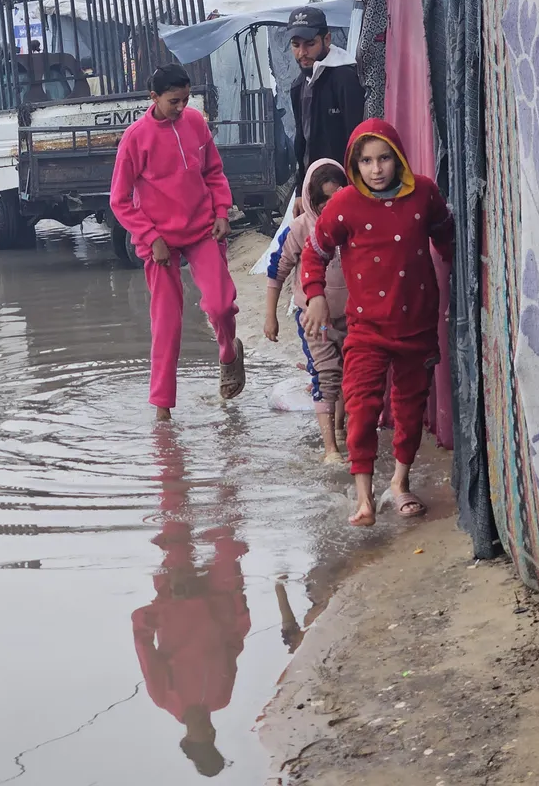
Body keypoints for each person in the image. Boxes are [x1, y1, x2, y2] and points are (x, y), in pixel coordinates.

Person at [302, 118, 454, 527]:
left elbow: (447, 235)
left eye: (384, 157)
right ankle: (364, 498)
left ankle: (400, 485)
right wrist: (314, 295)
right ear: (355, 164)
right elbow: (314, 251)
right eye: (366, 160)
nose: (376, 168)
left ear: (398, 157)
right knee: (363, 407)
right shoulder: (345, 205)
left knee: (409, 408)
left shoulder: (424, 193)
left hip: (417, 325)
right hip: (366, 331)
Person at [109, 64, 246, 421]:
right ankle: (162, 408)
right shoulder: (135, 138)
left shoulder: (197, 123)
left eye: (186, 99)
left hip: (202, 230)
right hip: (159, 243)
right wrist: (150, 236)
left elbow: (214, 172)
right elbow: (119, 200)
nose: (181, 107)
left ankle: (229, 354)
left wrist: (221, 211)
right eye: (174, 101)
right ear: (153, 98)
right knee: (166, 322)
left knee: (219, 304)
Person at [132, 427, 249, 779]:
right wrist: (237, 606)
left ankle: (168, 450)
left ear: (189, 739)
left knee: (175, 523)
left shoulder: (164, 696)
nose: (209, 732)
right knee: (228, 538)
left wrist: (164, 607)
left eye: (204, 739)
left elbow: (141, 639)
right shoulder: (222, 697)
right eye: (213, 737)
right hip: (220, 599)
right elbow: (232, 645)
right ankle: (232, 453)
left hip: (178, 592)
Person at [264, 158, 349, 464]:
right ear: (310, 200)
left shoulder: (354, 224)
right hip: (314, 321)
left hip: (353, 316)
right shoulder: (301, 229)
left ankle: (340, 430)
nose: (328, 206)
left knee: (348, 376)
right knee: (326, 375)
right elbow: (277, 270)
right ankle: (330, 449)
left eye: (335, 197)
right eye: (321, 200)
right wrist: (270, 315)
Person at [286, 5, 364, 207]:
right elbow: (301, 142)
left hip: (345, 189)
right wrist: (299, 190)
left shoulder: (345, 77)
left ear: (327, 39)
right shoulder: (298, 85)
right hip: (314, 190)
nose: (302, 53)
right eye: (296, 45)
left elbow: (357, 140)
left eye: (310, 44)